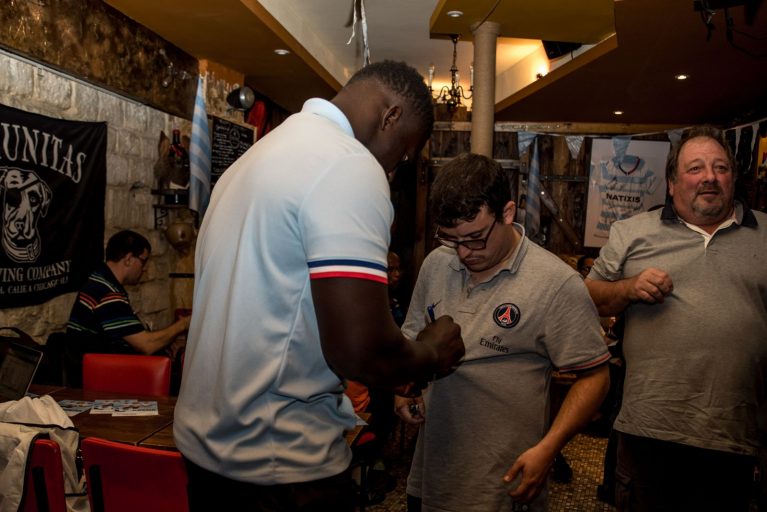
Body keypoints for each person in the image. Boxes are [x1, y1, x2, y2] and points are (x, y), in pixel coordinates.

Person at [173, 60, 465, 512]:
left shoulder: (253, 159)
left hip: (206, 457)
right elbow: (358, 349)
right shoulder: (348, 165)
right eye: (405, 151)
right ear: (390, 117)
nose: (397, 166)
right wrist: (429, 352)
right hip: (279, 466)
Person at [395, 153, 610, 512]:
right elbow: (411, 334)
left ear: (508, 213)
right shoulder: (437, 263)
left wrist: (549, 449)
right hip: (431, 474)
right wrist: (402, 390)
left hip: (503, 485)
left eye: (476, 238)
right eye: (452, 239)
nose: (463, 252)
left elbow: (595, 376)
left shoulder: (556, 283)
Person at [585, 125, 767, 512]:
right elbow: (589, 296)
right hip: (650, 429)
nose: (709, 178)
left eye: (720, 168)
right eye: (695, 168)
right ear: (671, 183)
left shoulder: (764, 235)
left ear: (733, 179)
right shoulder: (632, 232)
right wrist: (628, 288)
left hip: (734, 434)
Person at [66, 229, 190, 356]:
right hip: (96, 372)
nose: (145, 269)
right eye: (144, 261)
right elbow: (146, 345)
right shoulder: (107, 293)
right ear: (129, 259)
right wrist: (183, 325)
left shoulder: (100, 279)